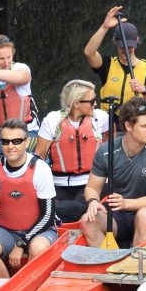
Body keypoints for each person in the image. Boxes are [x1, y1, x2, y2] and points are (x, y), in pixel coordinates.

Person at [80, 98, 146, 247]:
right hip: (118, 214)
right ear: (128, 126)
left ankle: (136, 267)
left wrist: (126, 203)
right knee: (88, 220)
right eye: (145, 126)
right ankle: (105, 265)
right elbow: (92, 188)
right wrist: (93, 202)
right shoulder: (106, 151)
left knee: (145, 216)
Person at [0, 120, 59, 278]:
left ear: (27, 142)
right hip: (5, 230)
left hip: (40, 231)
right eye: (5, 141)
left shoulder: (40, 168)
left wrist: (22, 243)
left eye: (17, 141)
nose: (10, 146)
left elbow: (48, 216)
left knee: (37, 248)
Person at [35, 79, 109, 223]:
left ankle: (65, 212)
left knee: (74, 206)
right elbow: (40, 157)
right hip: (58, 184)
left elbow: (111, 144)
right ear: (76, 103)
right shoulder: (52, 120)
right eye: (91, 100)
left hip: (91, 183)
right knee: (52, 206)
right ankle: (67, 212)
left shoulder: (101, 118)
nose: (96, 103)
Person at [84, 6, 146, 111]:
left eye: (130, 46)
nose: (126, 50)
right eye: (122, 46)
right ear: (115, 42)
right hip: (108, 120)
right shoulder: (107, 64)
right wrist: (104, 27)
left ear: (136, 41)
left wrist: (144, 90)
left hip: (132, 122)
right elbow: (89, 53)